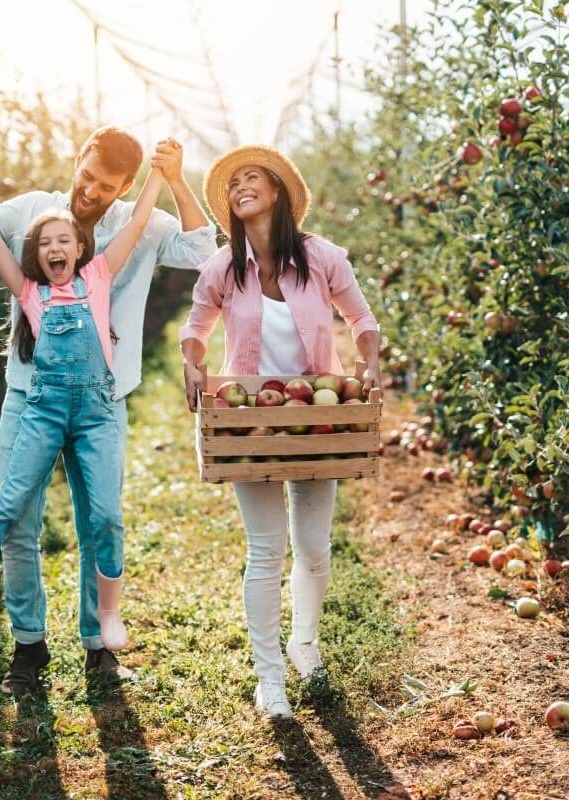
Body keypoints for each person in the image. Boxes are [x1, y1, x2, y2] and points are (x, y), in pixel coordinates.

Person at [0, 128, 216, 691]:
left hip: (102, 401)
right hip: (30, 394)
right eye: (86, 176)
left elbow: (204, 253)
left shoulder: (141, 225)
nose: (89, 190)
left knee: (101, 519)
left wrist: (177, 179)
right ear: (78, 160)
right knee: (18, 519)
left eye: (105, 186)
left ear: (126, 187)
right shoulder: (35, 214)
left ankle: (97, 645)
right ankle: (29, 646)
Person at [178, 146, 381, 718]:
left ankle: (305, 645)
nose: (241, 186)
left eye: (252, 177)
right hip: (251, 422)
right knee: (266, 550)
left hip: (320, 419)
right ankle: (270, 679)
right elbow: (195, 328)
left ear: (277, 192)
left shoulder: (320, 258)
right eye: (233, 182)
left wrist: (370, 361)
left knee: (314, 550)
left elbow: (361, 319)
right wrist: (192, 362)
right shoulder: (223, 266)